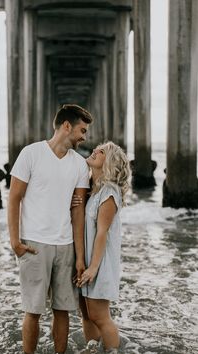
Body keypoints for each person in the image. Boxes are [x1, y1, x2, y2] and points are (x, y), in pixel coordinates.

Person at [7, 104, 93, 354]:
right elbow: (14, 198)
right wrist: (15, 242)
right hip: (34, 243)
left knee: (63, 309)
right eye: (82, 130)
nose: (84, 137)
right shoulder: (30, 154)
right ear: (67, 126)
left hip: (65, 245)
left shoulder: (79, 165)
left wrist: (79, 255)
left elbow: (77, 211)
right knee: (33, 311)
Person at [73, 141, 131, 353]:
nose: (95, 151)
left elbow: (102, 233)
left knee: (100, 316)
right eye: (97, 148)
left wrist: (93, 268)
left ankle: (113, 351)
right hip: (87, 261)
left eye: (102, 151)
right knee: (86, 314)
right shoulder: (93, 190)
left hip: (100, 263)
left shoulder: (109, 192)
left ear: (110, 162)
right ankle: (92, 349)